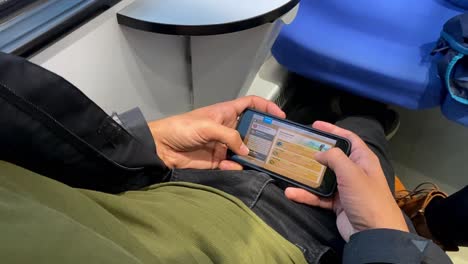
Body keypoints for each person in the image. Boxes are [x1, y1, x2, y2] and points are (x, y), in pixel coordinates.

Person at [0, 52, 452, 263]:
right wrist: (384, 235)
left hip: (157, 185)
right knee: (360, 151)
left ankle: (333, 102)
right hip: (283, 239)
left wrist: (143, 145)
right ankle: (363, 110)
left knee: (311, 139)